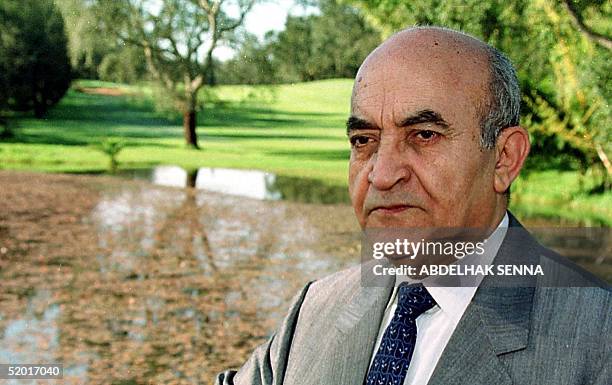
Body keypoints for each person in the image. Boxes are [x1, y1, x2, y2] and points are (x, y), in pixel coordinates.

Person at [215, 27, 610, 385]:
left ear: (504, 158)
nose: (381, 174)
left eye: (424, 134)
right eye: (363, 140)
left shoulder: (599, 338)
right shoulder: (313, 309)